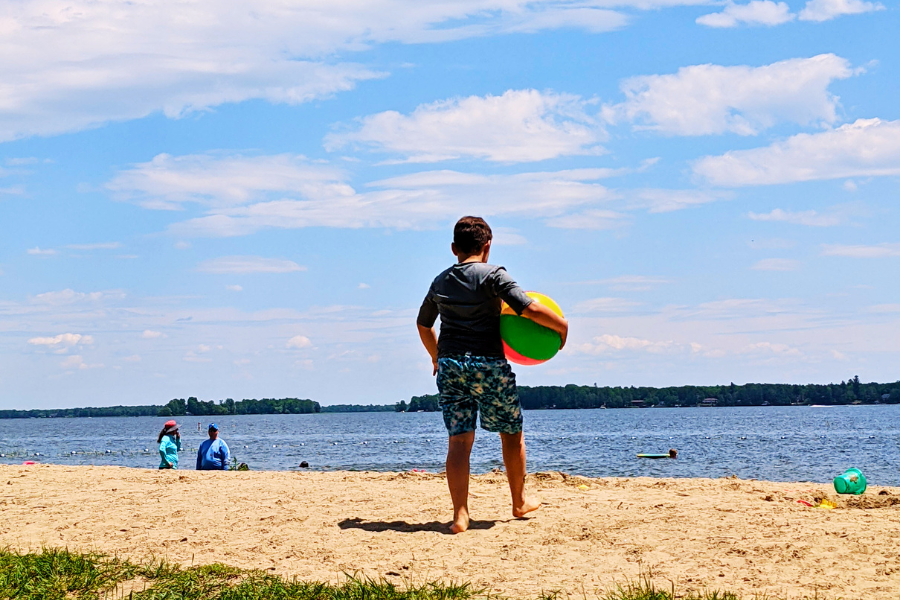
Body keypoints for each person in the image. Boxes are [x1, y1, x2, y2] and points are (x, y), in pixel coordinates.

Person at [416, 216, 569, 533]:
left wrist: (435, 356)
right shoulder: (494, 275)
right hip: (488, 364)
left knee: (459, 441)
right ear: (487, 246)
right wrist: (561, 326)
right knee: (511, 433)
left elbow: (423, 324)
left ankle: (460, 515)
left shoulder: (440, 281)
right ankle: (519, 502)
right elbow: (529, 309)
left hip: (451, 365)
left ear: (454, 248)